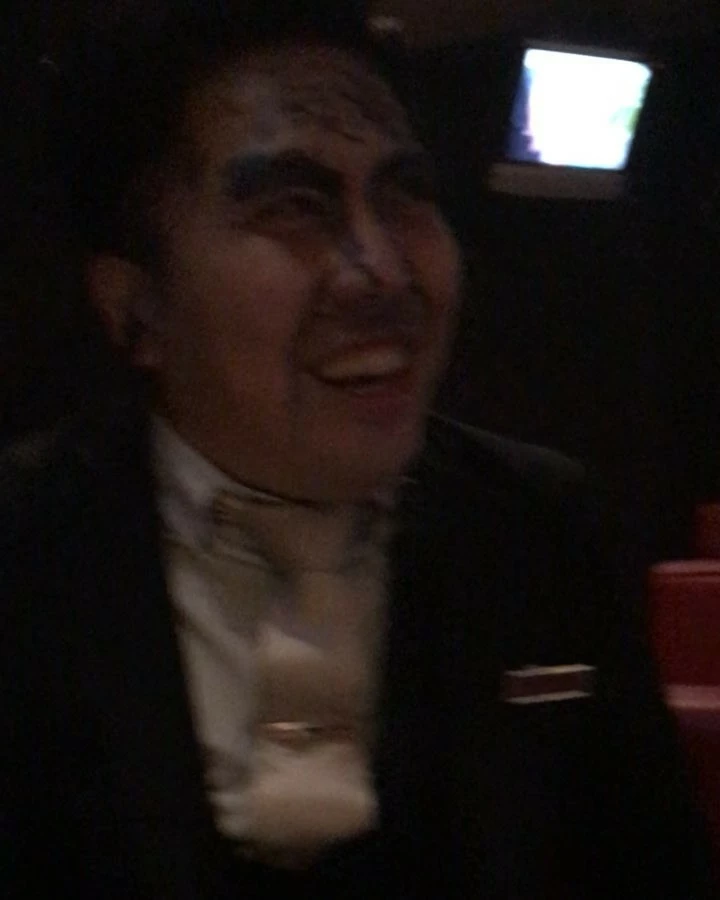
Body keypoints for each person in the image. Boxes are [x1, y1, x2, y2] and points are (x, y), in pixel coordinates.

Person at [1, 3, 714, 898]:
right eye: (294, 206)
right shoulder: (26, 546)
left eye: (404, 194)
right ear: (135, 309)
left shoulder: (541, 527)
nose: (381, 270)